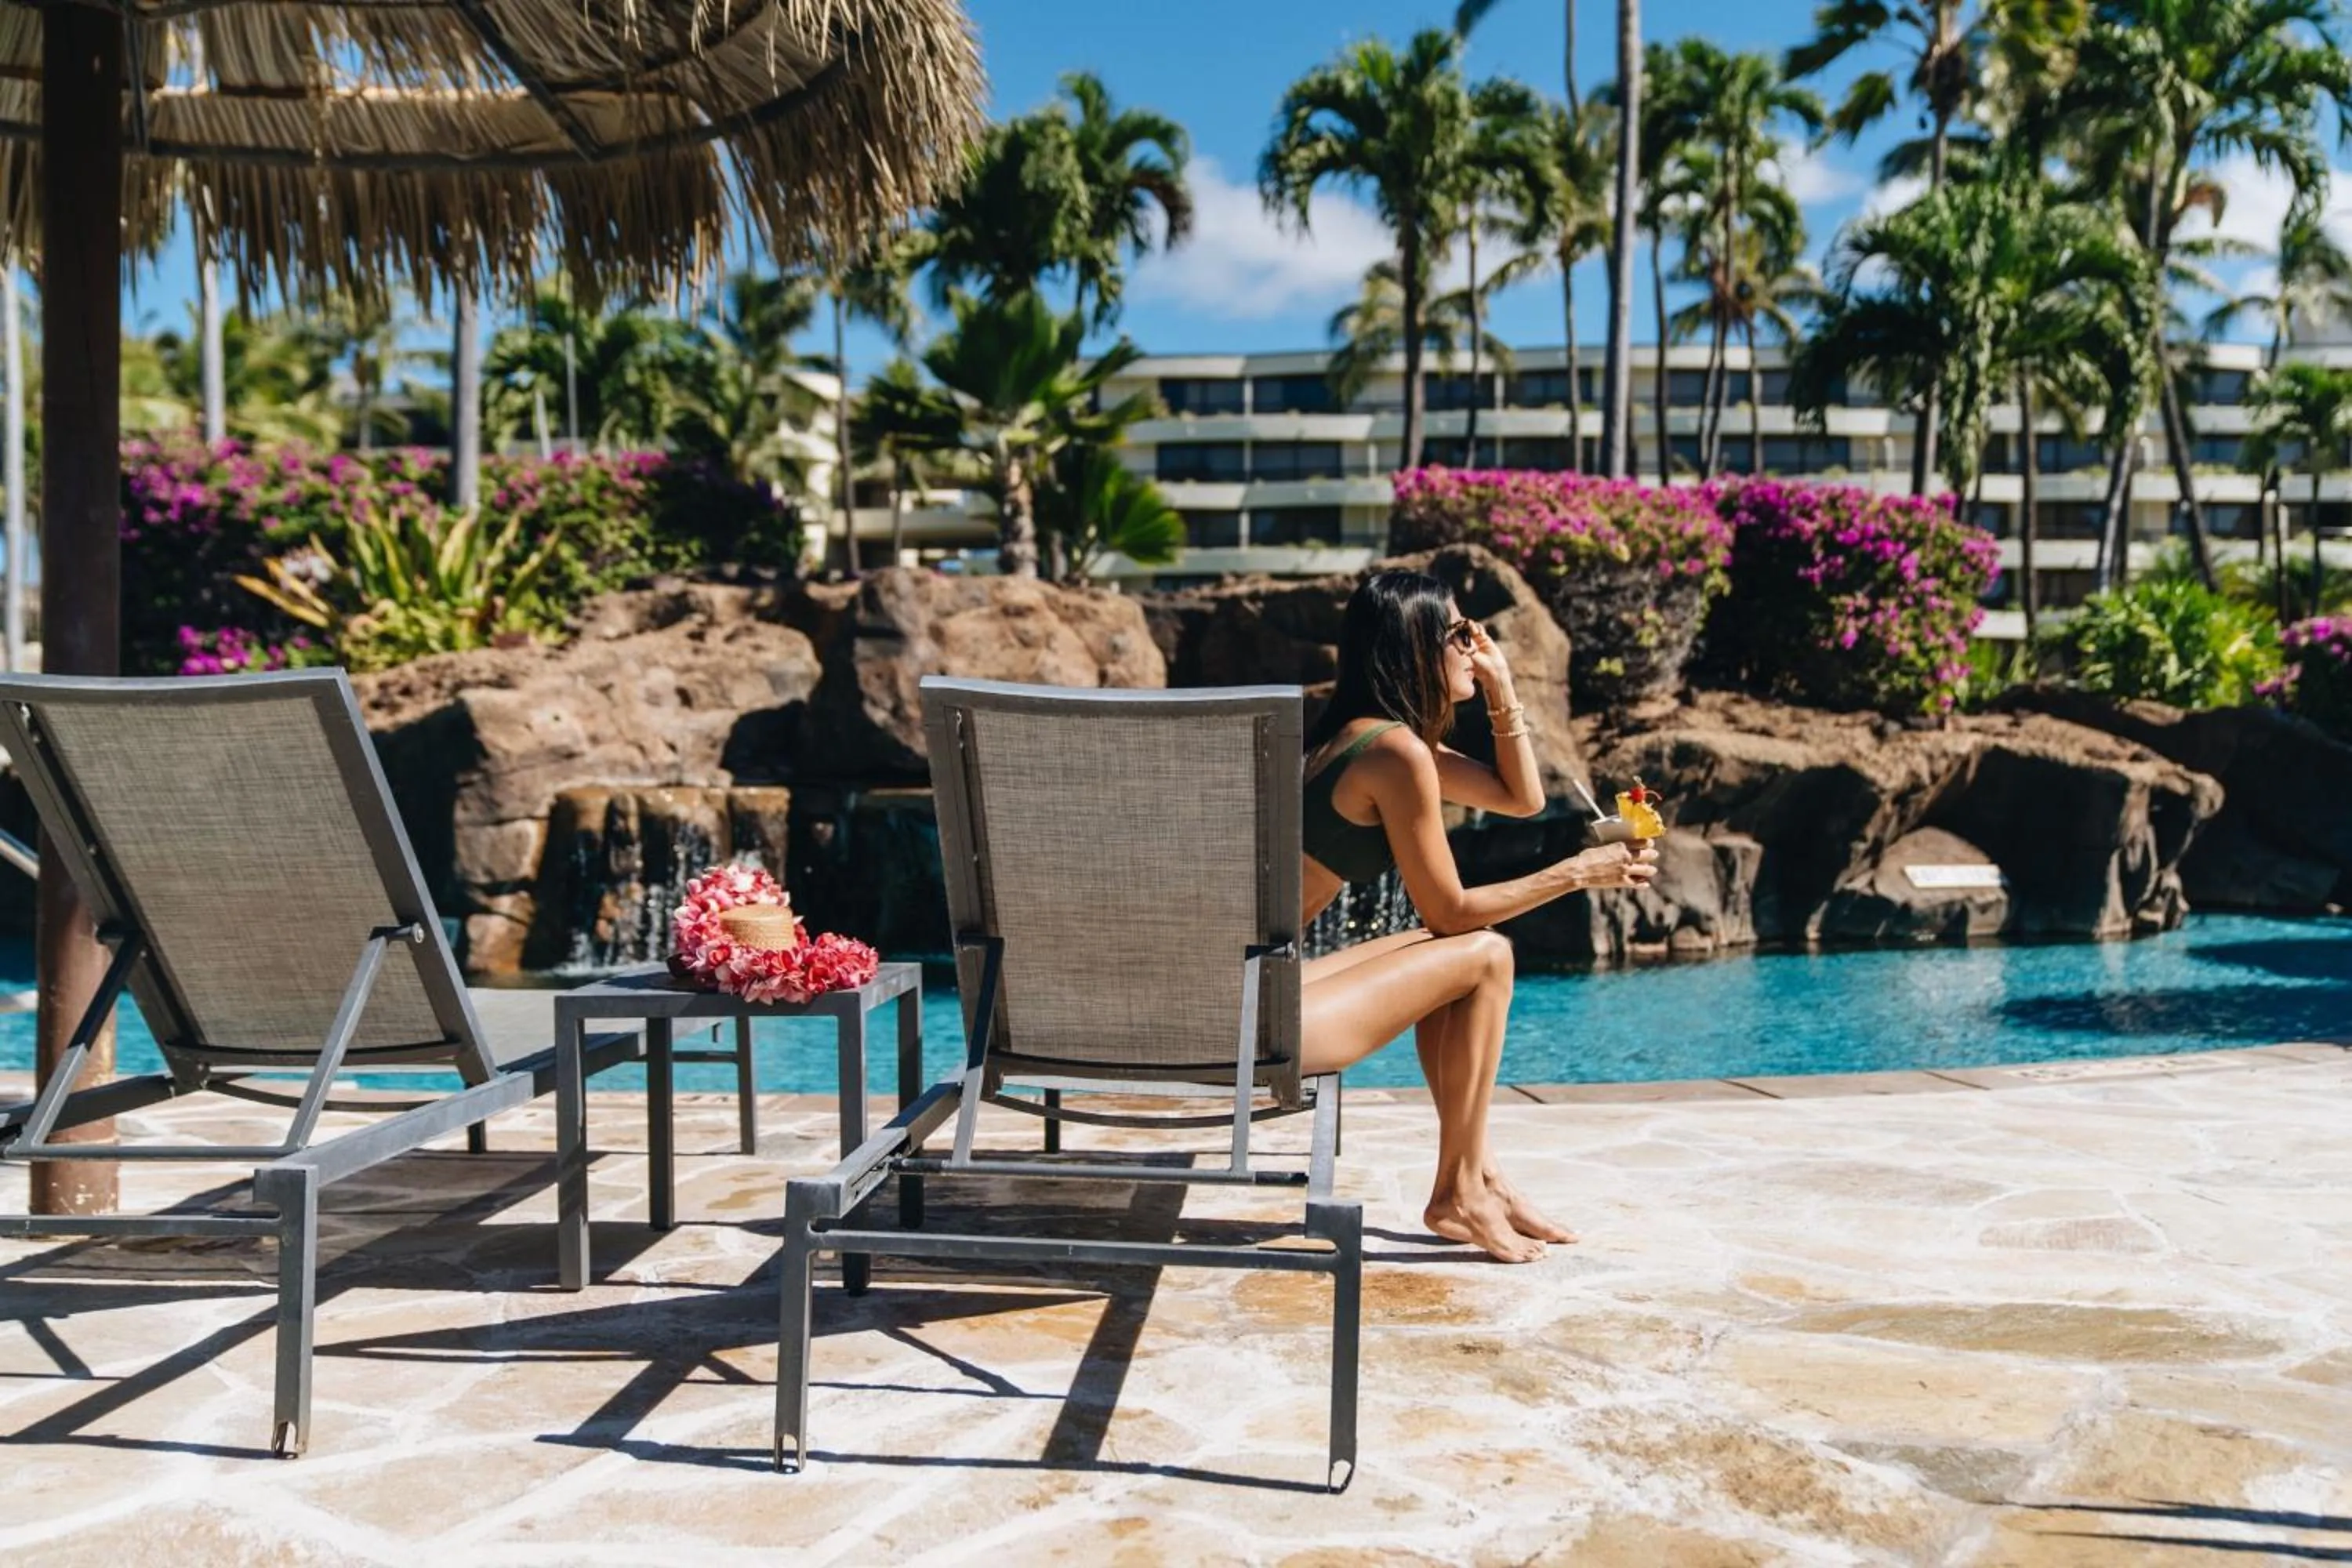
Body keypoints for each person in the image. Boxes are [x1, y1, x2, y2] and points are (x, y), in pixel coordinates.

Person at [1301, 570, 1657, 1264]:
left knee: (1445, 951)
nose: (1474, 646)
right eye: (1460, 635)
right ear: (1415, 646)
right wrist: (1580, 873)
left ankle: (1482, 1175)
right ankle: (1458, 1193)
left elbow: (1520, 799)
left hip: (1250, 994)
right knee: (1485, 952)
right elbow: (1453, 907)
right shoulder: (1394, 754)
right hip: (1257, 1019)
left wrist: (1502, 688)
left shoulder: (1373, 739)